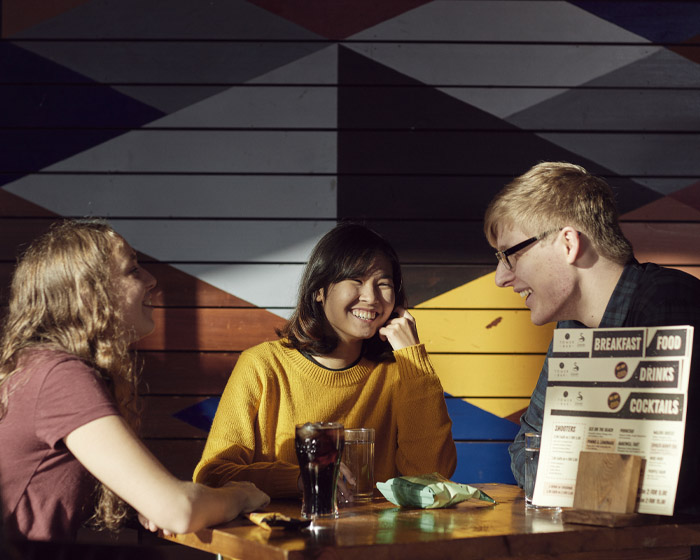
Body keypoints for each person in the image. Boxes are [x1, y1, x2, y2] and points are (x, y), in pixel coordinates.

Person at [0, 220, 269, 542]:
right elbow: (178, 511)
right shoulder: (59, 376)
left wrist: (146, 504)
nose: (152, 280)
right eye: (133, 270)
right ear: (89, 291)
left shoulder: (38, 366)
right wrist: (239, 495)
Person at [484, 161, 700, 513]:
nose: (500, 277)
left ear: (568, 243)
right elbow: (525, 449)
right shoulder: (572, 326)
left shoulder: (671, 302)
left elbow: (668, 479)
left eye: (511, 254)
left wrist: (568, 474)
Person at [193, 222, 457, 499]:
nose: (371, 297)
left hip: (376, 538)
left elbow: (433, 477)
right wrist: (300, 478)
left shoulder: (400, 373)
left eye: (383, 284)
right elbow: (213, 475)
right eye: (355, 280)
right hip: (283, 536)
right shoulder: (262, 365)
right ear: (319, 290)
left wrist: (414, 360)